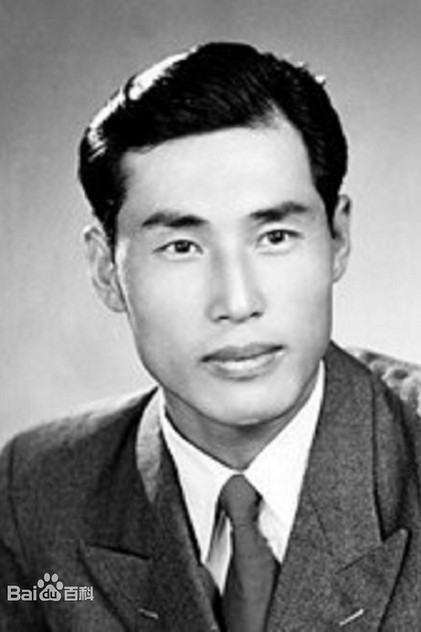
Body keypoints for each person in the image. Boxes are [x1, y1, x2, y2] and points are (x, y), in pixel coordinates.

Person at [0, 42, 420, 632]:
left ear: (337, 239)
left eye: (275, 237)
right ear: (105, 271)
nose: (237, 302)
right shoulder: (33, 488)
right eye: (182, 247)